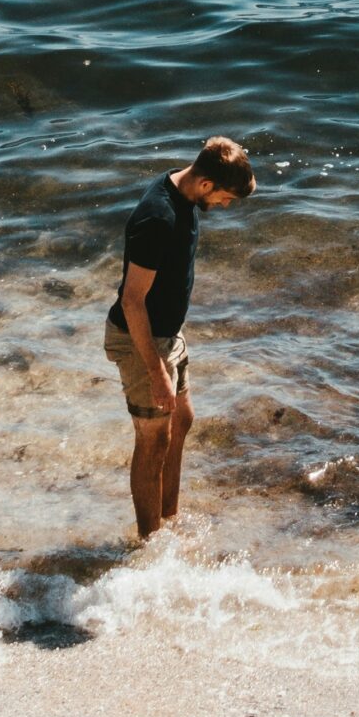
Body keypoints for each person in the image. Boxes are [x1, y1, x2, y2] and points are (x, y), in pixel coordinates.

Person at [105, 136, 256, 538]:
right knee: (154, 440)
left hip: (168, 333)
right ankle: (149, 543)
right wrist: (156, 372)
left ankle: (168, 522)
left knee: (182, 421)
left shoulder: (183, 192)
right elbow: (132, 301)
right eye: (225, 198)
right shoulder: (158, 218)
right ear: (205, 184)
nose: (224, 207)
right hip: (140, 337)